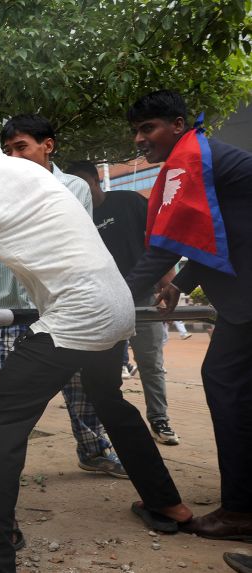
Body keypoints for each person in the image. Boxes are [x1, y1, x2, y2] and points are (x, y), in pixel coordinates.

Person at [0, 101, 191, 573]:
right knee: (108, 401)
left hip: (79, 315)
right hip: (116, 306)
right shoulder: (34, 174)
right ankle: (168, 504)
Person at [123, 90, 252, 541]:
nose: (139, 139)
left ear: (178, 124)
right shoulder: (197, 156)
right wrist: (181, 281)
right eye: (136, 131)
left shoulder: (190, 160)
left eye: (148, 128)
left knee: (226, 383)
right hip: (242, 297)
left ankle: (240, 513)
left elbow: (166, 245)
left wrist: (116, 298)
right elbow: (221, 232)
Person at [0, 114, 127, 477]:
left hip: (62, 311)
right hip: (10, 311)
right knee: (10, 399)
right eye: (8, 151)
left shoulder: (74, 188)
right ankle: (1, 468)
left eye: (21, 147)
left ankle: (93, 450)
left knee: (81, 388)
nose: (15, 157)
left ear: (48, 146)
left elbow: (74, 249)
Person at [66, 159, 180, 446]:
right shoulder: (74, 219)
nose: (80, 192)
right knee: (107, 369)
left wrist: (168, 281)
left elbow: (160, 242)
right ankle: (113, 424)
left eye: (84, 184)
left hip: (141, 298)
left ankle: (159, 419)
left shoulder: (129, 202)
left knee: (151, 362)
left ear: (96, 180)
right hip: (102, 304)